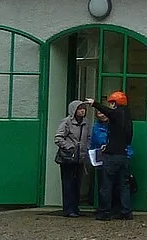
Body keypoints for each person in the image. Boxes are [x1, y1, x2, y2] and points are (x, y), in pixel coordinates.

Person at [95, 90, 134, 220]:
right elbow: (127, 138)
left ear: (115, 103)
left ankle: (104, 212)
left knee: (106, 185)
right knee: (124, 185)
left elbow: (108, 112)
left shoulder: (117, 114)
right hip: (123, 155)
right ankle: (126, 211)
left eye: (111, 102)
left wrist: (94, 103)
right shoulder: (127, 117)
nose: (110, 105)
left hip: (112, 156)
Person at [53, 100, 89, 216]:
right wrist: (69, 147)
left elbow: (88, 137)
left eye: (84, 108)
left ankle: (75, 207)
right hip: (68, 158)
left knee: (77, 184)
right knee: (68, 183)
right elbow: (58, 137)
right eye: (80, 109)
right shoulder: (66, 122)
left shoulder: (85, 123)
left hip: (80, 158)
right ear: (74, 110)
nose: (82, 111)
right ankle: (68, 209)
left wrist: (86, 148)